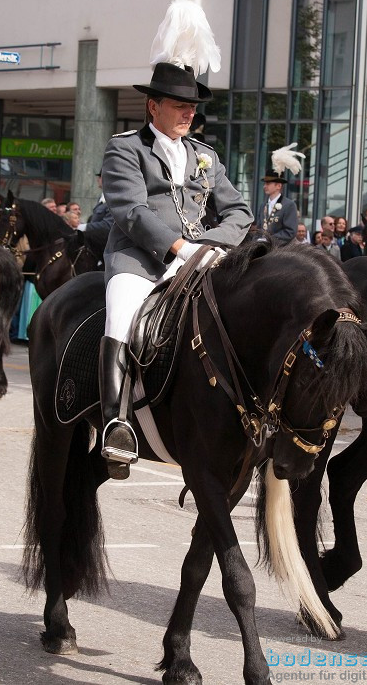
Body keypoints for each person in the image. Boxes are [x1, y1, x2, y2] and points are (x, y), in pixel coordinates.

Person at [99, 52, 252, 480]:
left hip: (201, 259)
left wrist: (207, 245)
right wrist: (178, 247)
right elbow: (131, 211)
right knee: (122, 318)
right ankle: (117, 423)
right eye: (180, 106)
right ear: (154, 106)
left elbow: (239, 211)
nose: (189, 114)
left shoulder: (206, 155)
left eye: (193, 107)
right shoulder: (125, 148)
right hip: (140, 260)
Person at [253, 170, 297, 245]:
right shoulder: (263, 205)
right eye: (265, 183)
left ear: (279, 186)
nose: (264, 186)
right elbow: (259, 228)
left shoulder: (289, 205)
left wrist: (269, 240)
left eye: (268, 183)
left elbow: (290, 232)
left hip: (281, 249)